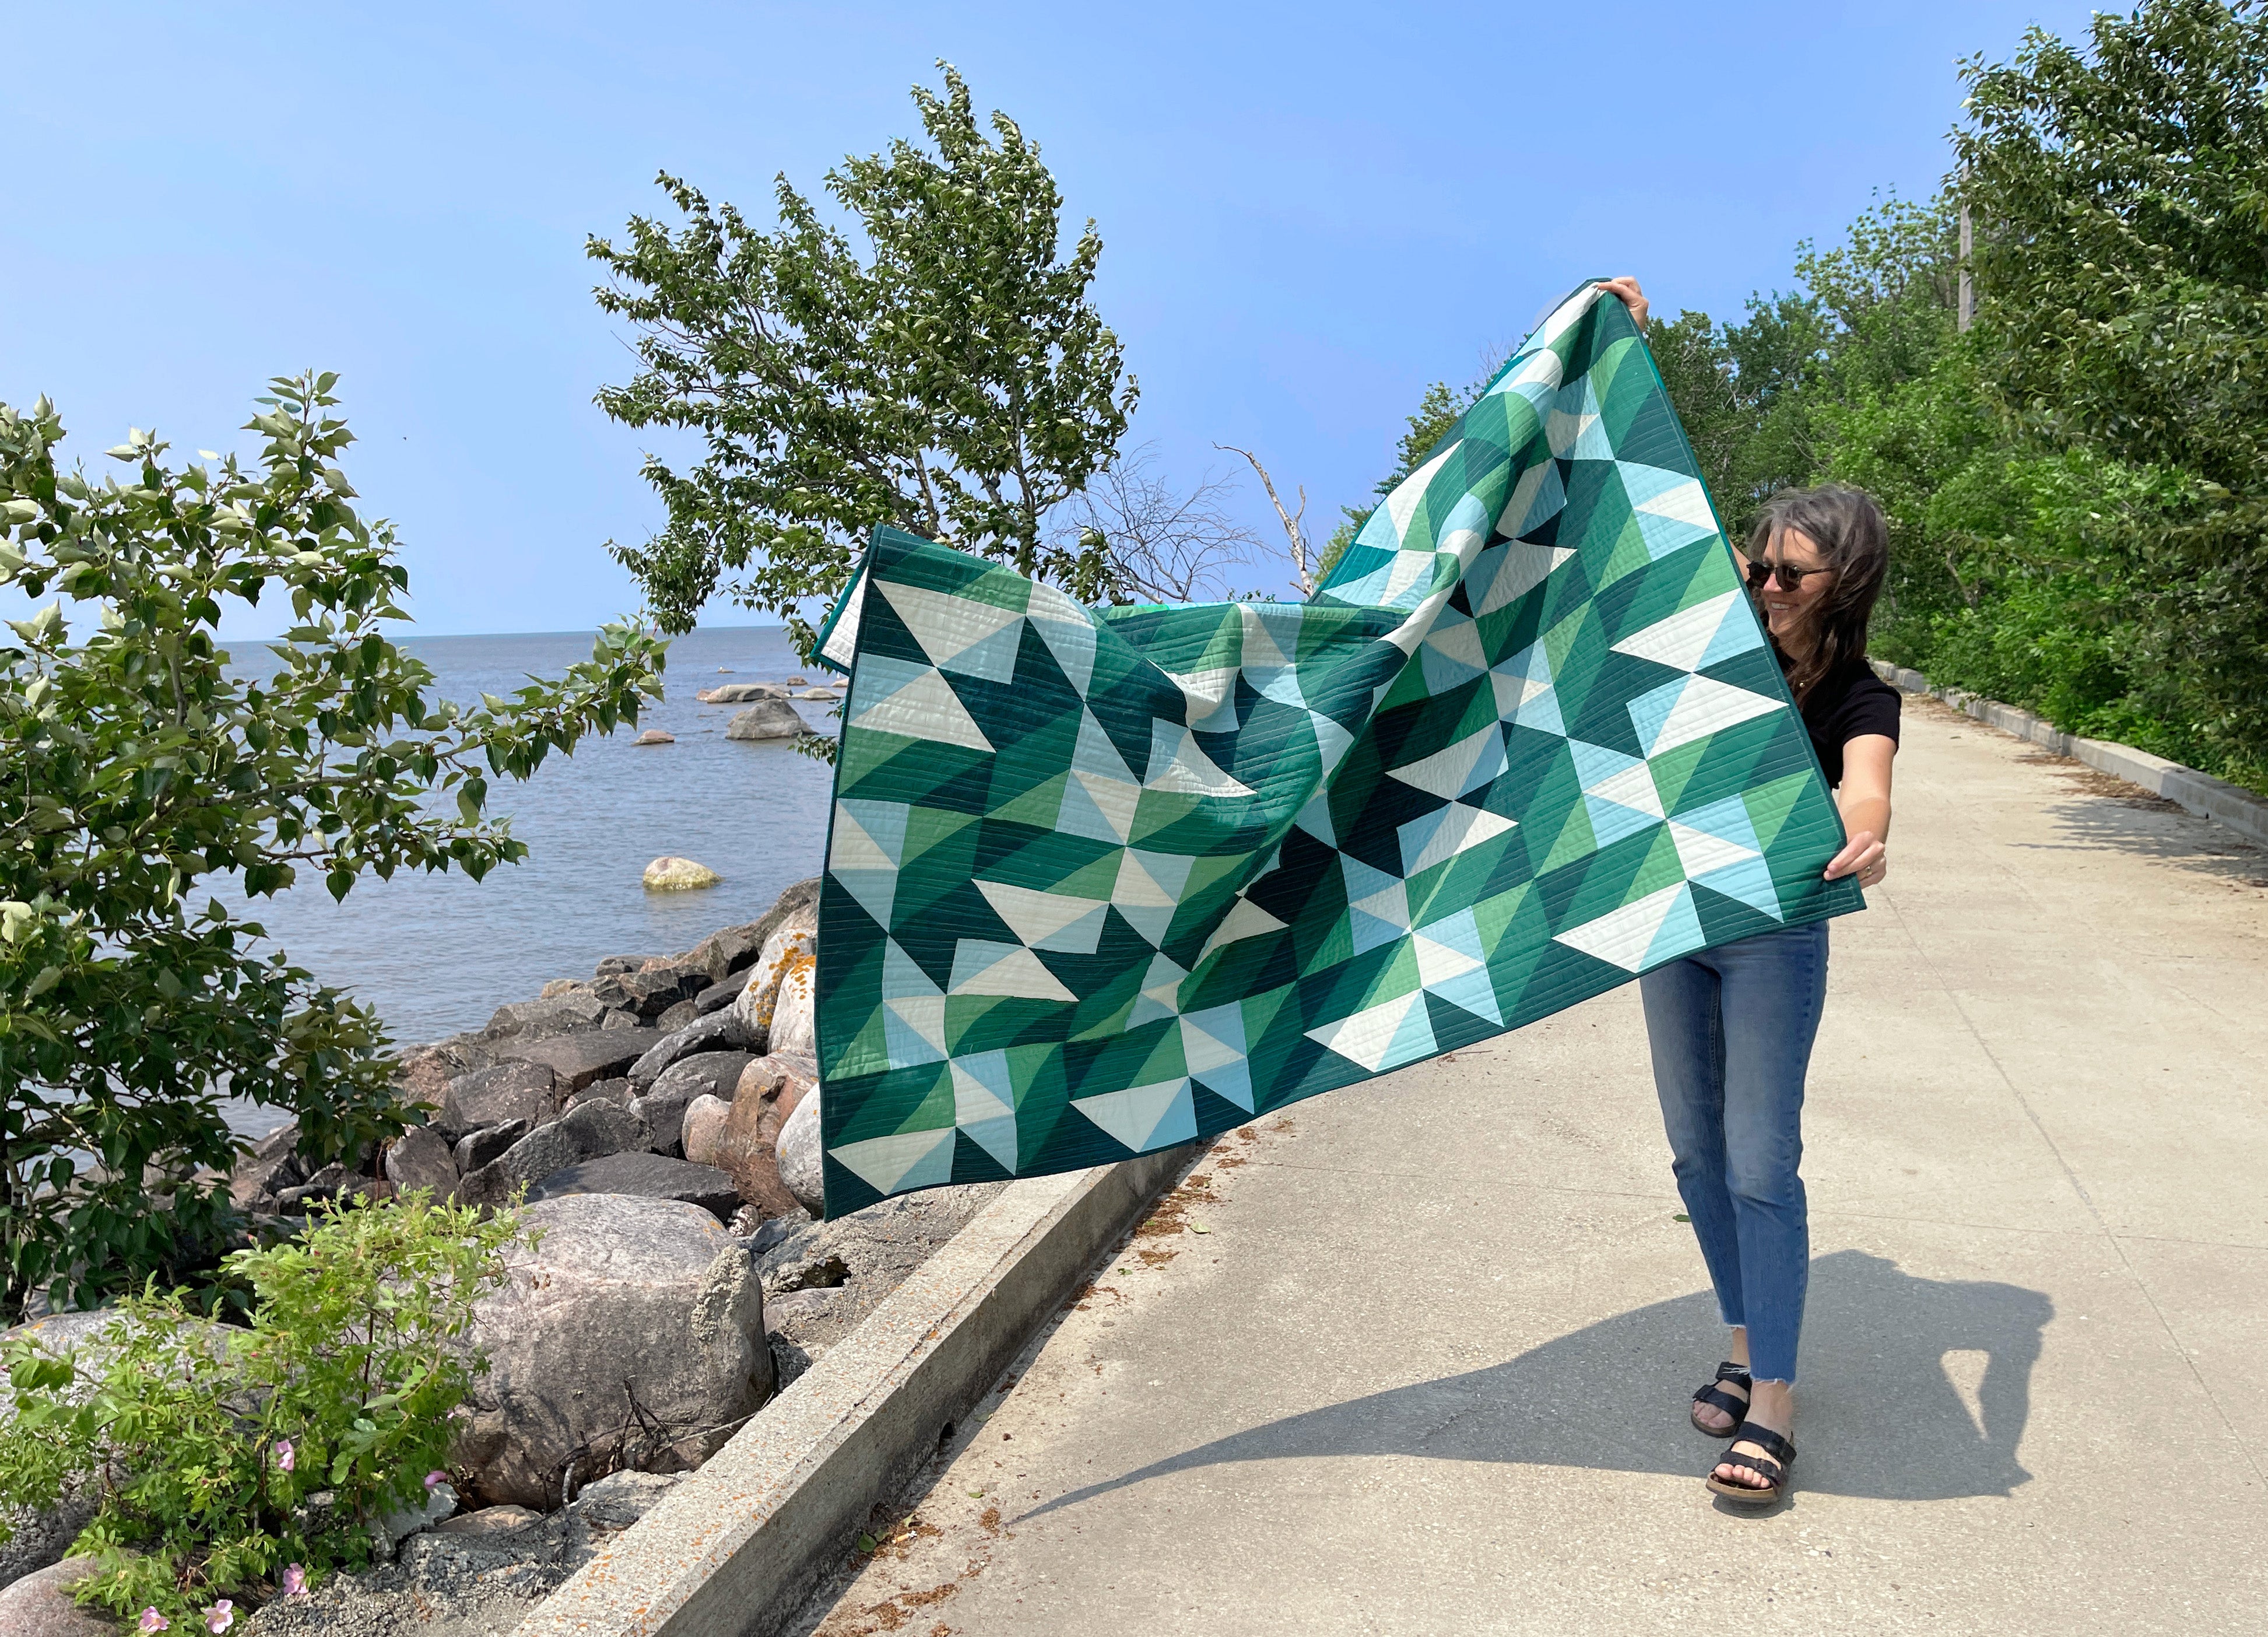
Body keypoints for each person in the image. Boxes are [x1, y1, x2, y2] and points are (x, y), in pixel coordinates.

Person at [1599, 276, 1900, 1506]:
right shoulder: (1711, 638)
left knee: (1758, 1158)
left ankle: (1772, 1400)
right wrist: (1622, 349)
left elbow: (1868, 785)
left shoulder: (1857, 695)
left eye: (1792, 576)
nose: (1767, 587)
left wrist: (1866, 833)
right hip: (1675, 917)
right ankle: (1739, 1333)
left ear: (1842, 583)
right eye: (1760, 566)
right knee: (1690, 1153)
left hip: (1773, 937)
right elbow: (1628, 534)